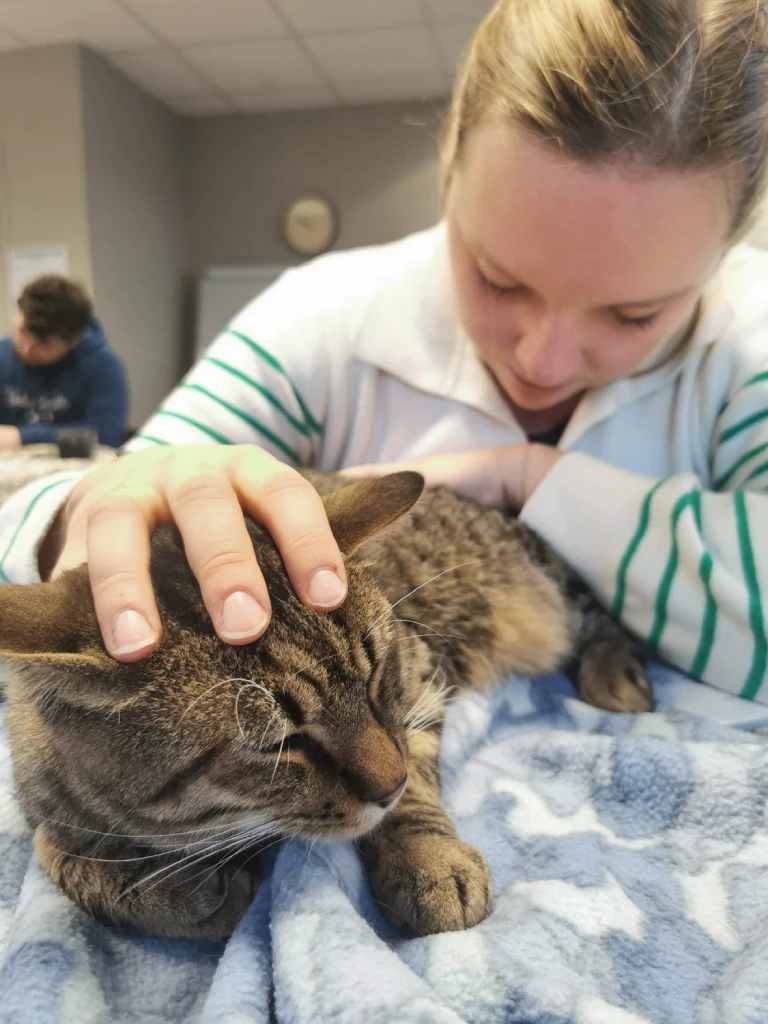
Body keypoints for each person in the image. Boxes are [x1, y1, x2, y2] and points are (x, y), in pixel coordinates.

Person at [1, 0, 767, 703]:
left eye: (634, 314)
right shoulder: (327, 315)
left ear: (723, 255)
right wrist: (90, 508)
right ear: (449, 177)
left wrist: (530, 478)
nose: (544, 361)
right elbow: (52, 512)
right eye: (499, 281)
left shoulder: (745, 338)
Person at [0, 275, 128, 450]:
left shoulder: (103, 367)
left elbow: (105, 436)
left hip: (74, 471)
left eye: (43, 343)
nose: (26, 347)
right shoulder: (3, 356)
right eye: (22, 331)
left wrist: (22, 437)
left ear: (73, 341)